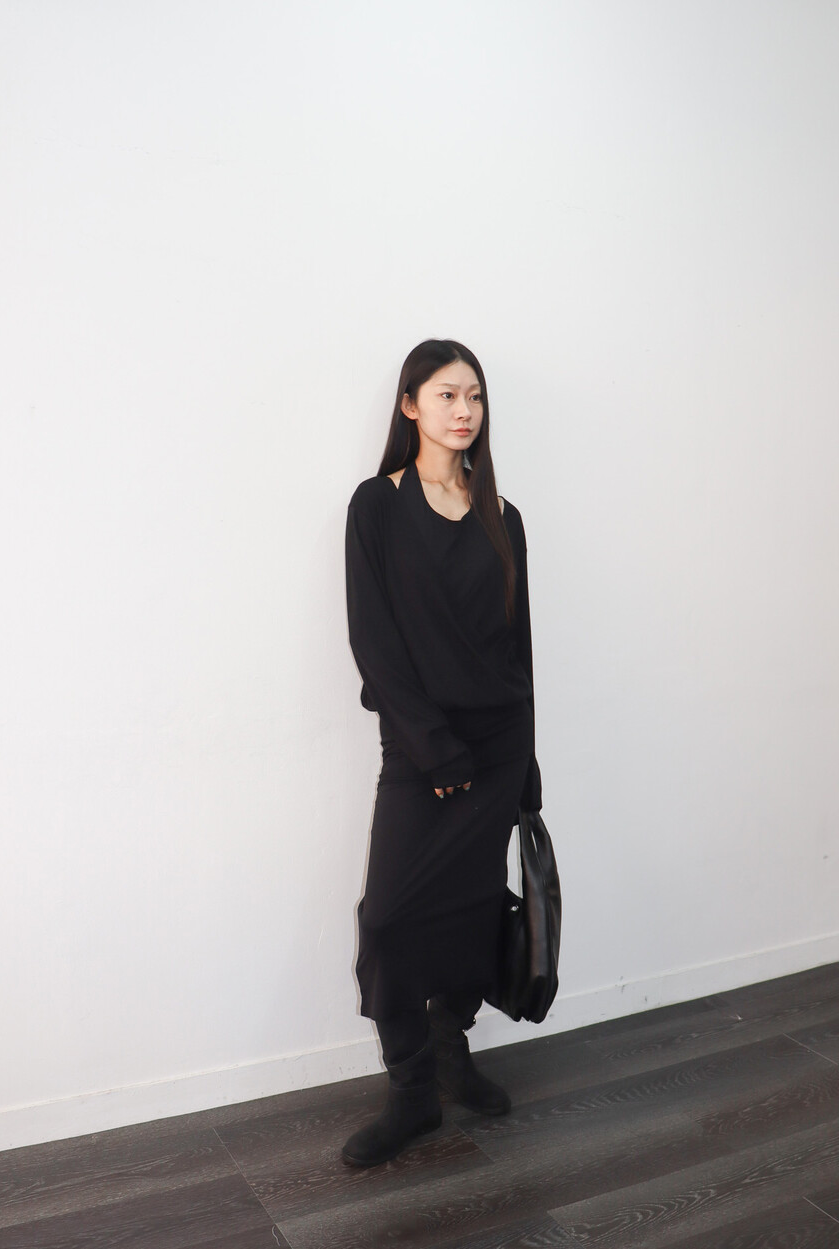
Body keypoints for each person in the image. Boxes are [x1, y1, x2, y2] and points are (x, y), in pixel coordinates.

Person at [342, 339, 543, 1167]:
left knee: (470, 909)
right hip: (422, 751)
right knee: (388, 918)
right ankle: (412, 1088)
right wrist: (432, 749)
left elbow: (519, 648)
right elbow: (375, 643)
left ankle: (453, 1050)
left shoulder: (505, 517)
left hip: (496, 752)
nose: (465, 410)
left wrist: (528, 766)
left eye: (476, 396)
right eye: (447, 394)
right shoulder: (376, 506)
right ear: (410, 404)